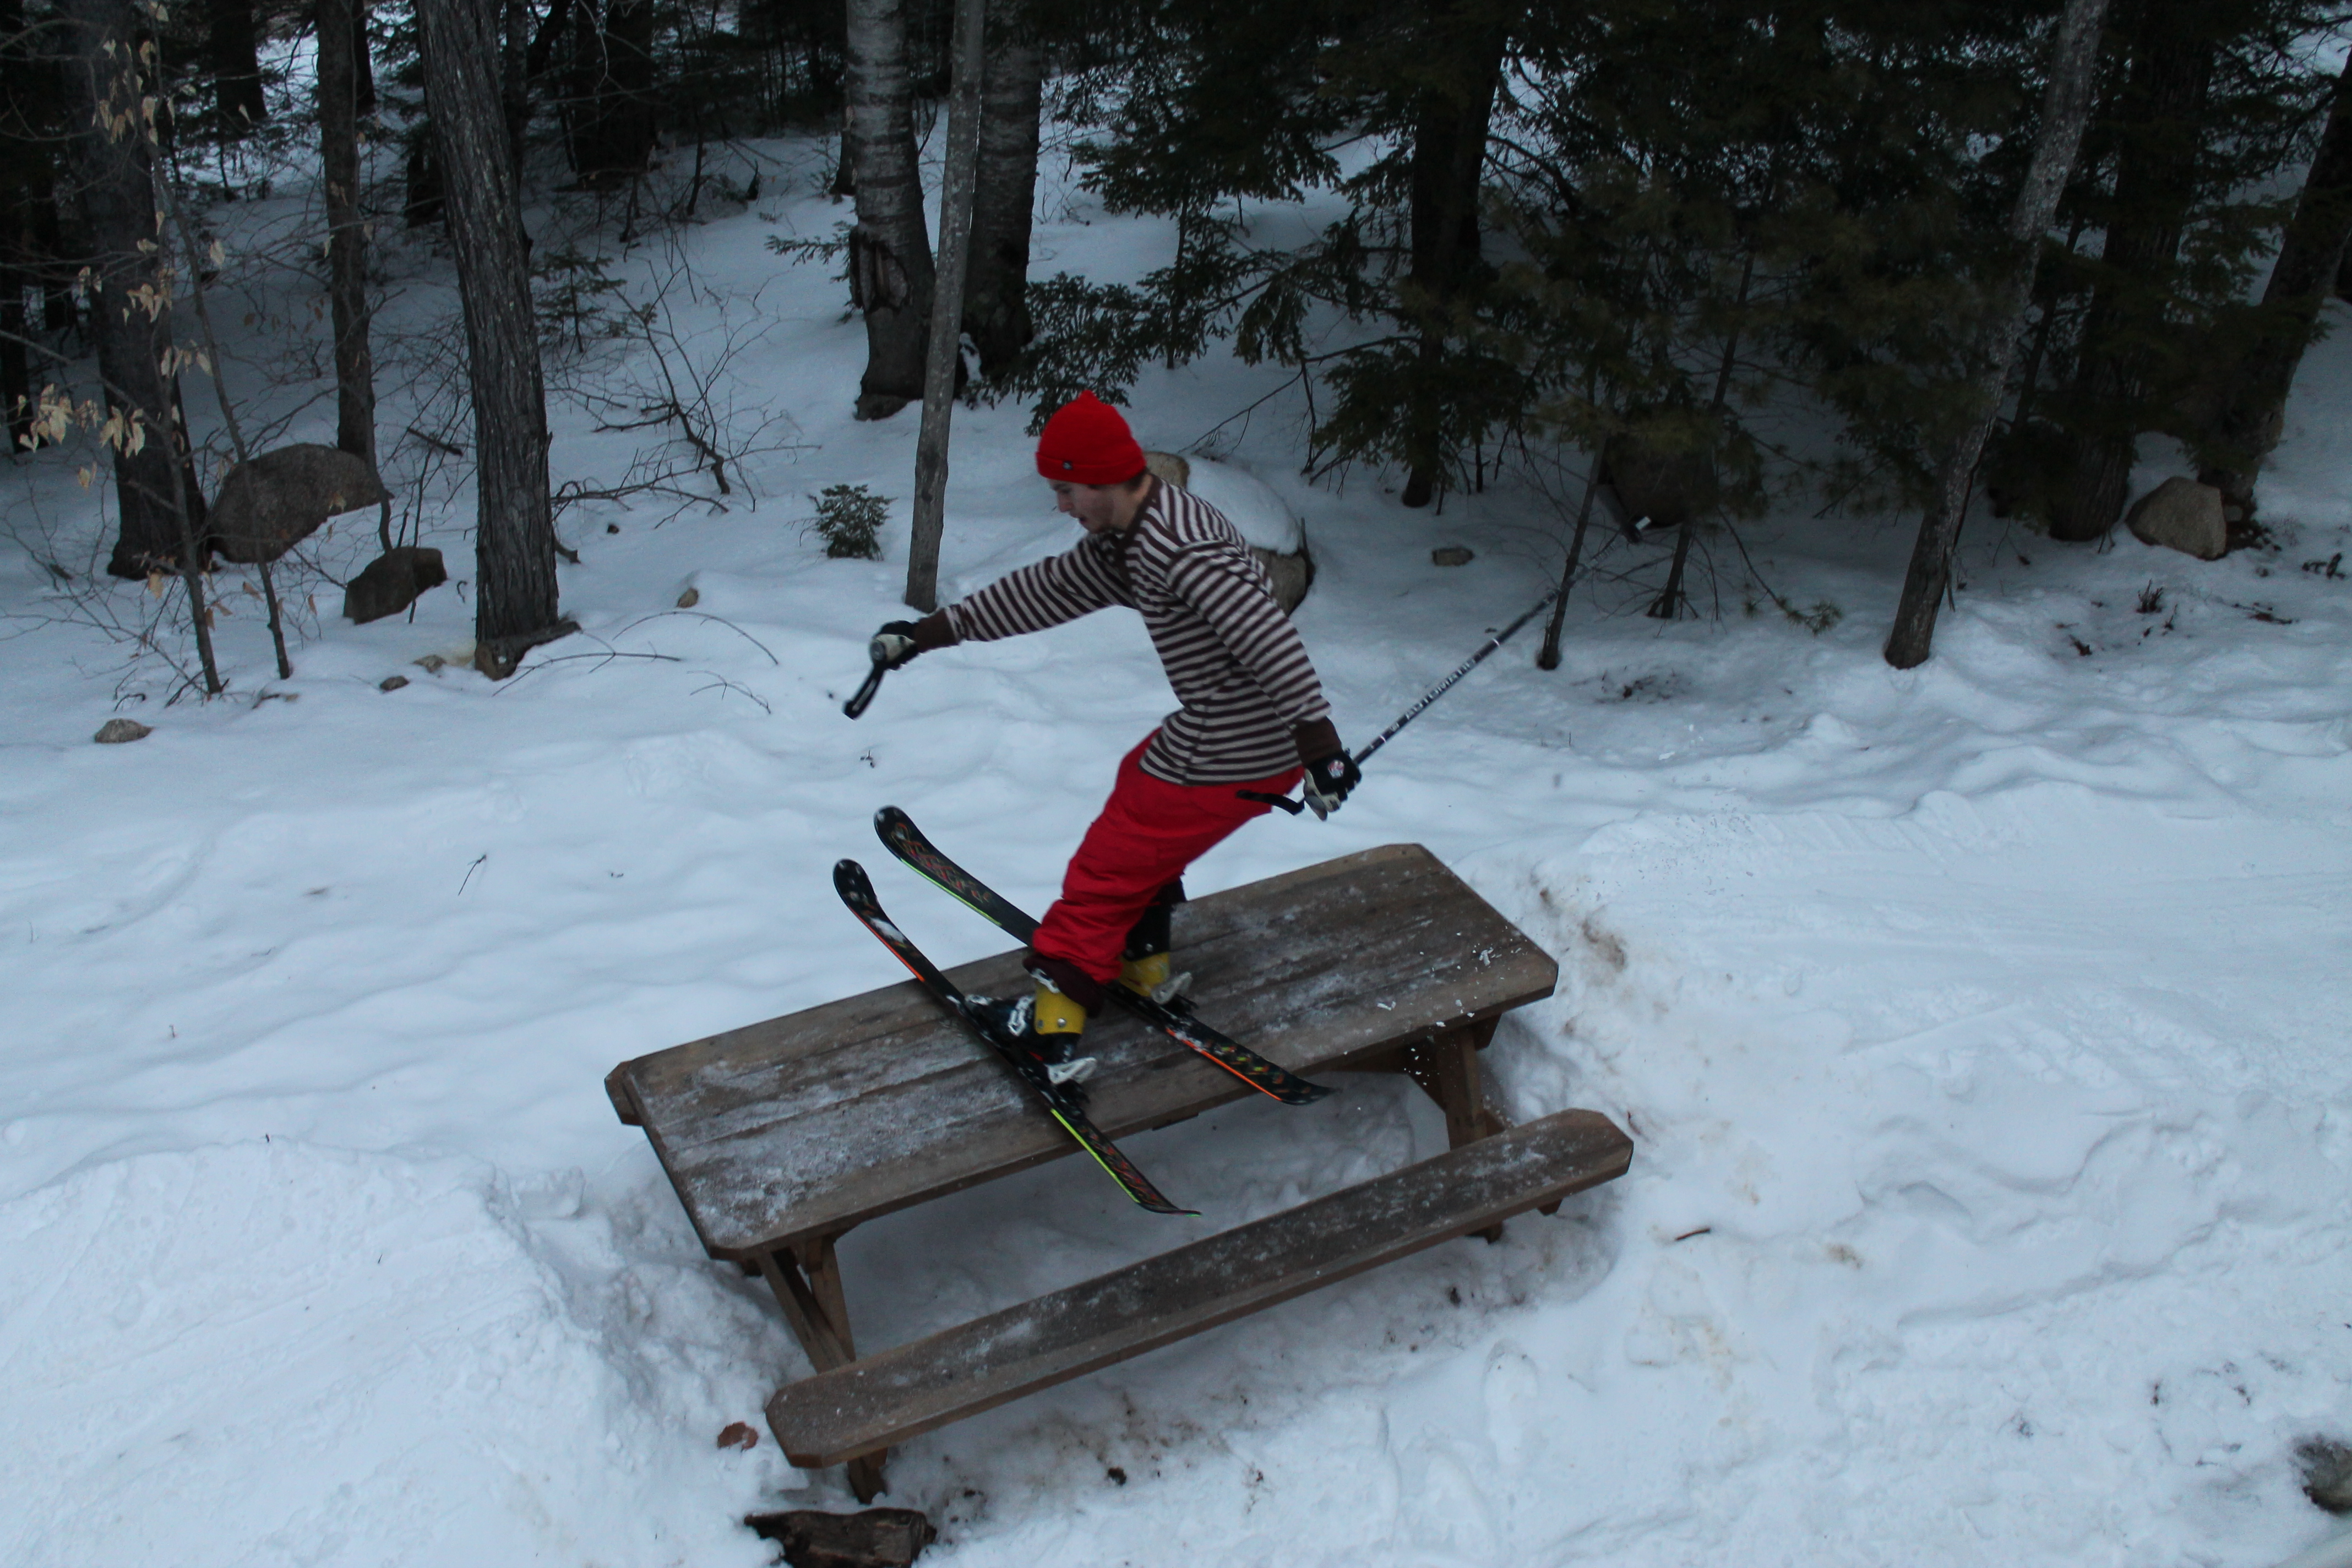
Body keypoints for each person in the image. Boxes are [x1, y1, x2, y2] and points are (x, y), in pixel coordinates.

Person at [870, 391, 1358, 1084]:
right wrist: (922, 636)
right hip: (1236, 735)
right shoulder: (1128, 538)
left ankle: (1050, 1026)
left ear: (1101, 478)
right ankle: (1141, 961)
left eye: (1066, 491)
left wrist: (1322, 746)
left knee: (1108, 867)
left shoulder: (1181, 546)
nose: (1061, 506)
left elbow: (1267, 635)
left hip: (1236, 742)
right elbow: (1037, 592)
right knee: (1141, 789)